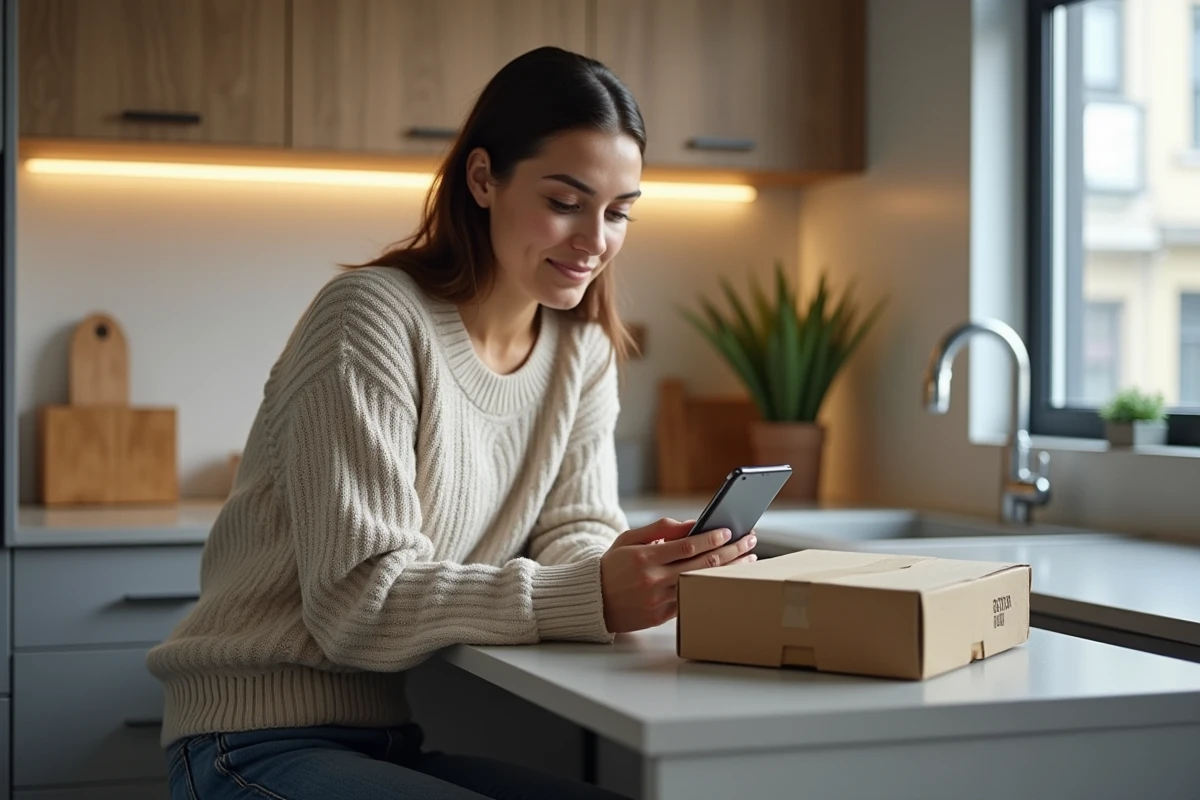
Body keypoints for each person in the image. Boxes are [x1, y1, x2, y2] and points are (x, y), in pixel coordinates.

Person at [147, 46, 759, 800]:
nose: (595, 240)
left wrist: (630, 566)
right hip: (246, 741)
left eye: (619, 212)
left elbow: (572, 529)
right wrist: (590, 594)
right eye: (565, 202)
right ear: (481, 180)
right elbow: (355, 604)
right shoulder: (371, 320)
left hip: (386, 739)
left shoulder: (583, 350)